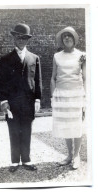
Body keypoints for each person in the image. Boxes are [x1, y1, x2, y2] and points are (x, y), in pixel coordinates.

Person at [0, 23, 42, 172]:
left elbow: (37, 80)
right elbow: (1, 81)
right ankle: (15, 161)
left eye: (24, 38)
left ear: (27, 40)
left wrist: (37, 99)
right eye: (18, 37)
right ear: (14, 38)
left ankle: (27, 160)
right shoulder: (5, 59)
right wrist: (4, 101)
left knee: (27, 129)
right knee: (14, 129)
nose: (21, 40)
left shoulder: (34, 58)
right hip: (12, 102)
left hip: (29, 102)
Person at [50, 27, 86, 169]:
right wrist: (53, 96)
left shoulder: (82, 55)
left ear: (74, 39)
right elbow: (53, 78)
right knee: (66, 125)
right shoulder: (56, 56)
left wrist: (86, 98)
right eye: (64, 36)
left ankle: (76, 156)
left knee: (77, 124)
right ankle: (69, 155)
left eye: (69, 36)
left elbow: (85, 78)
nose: (67, 38)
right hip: (61, 94)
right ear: (62, 40)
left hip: (76, 94)